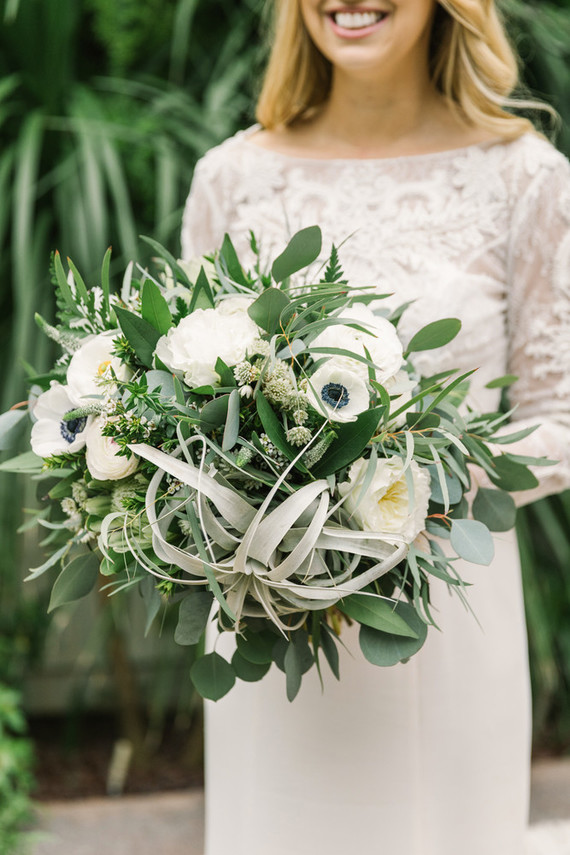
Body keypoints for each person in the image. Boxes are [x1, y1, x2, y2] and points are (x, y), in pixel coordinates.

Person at [180, 2, 570, 853]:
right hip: (268, 622)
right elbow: (189, 403)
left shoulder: (526, 177)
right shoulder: (231, 178)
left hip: (447, 608)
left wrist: (393, 483)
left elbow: (559, 422)